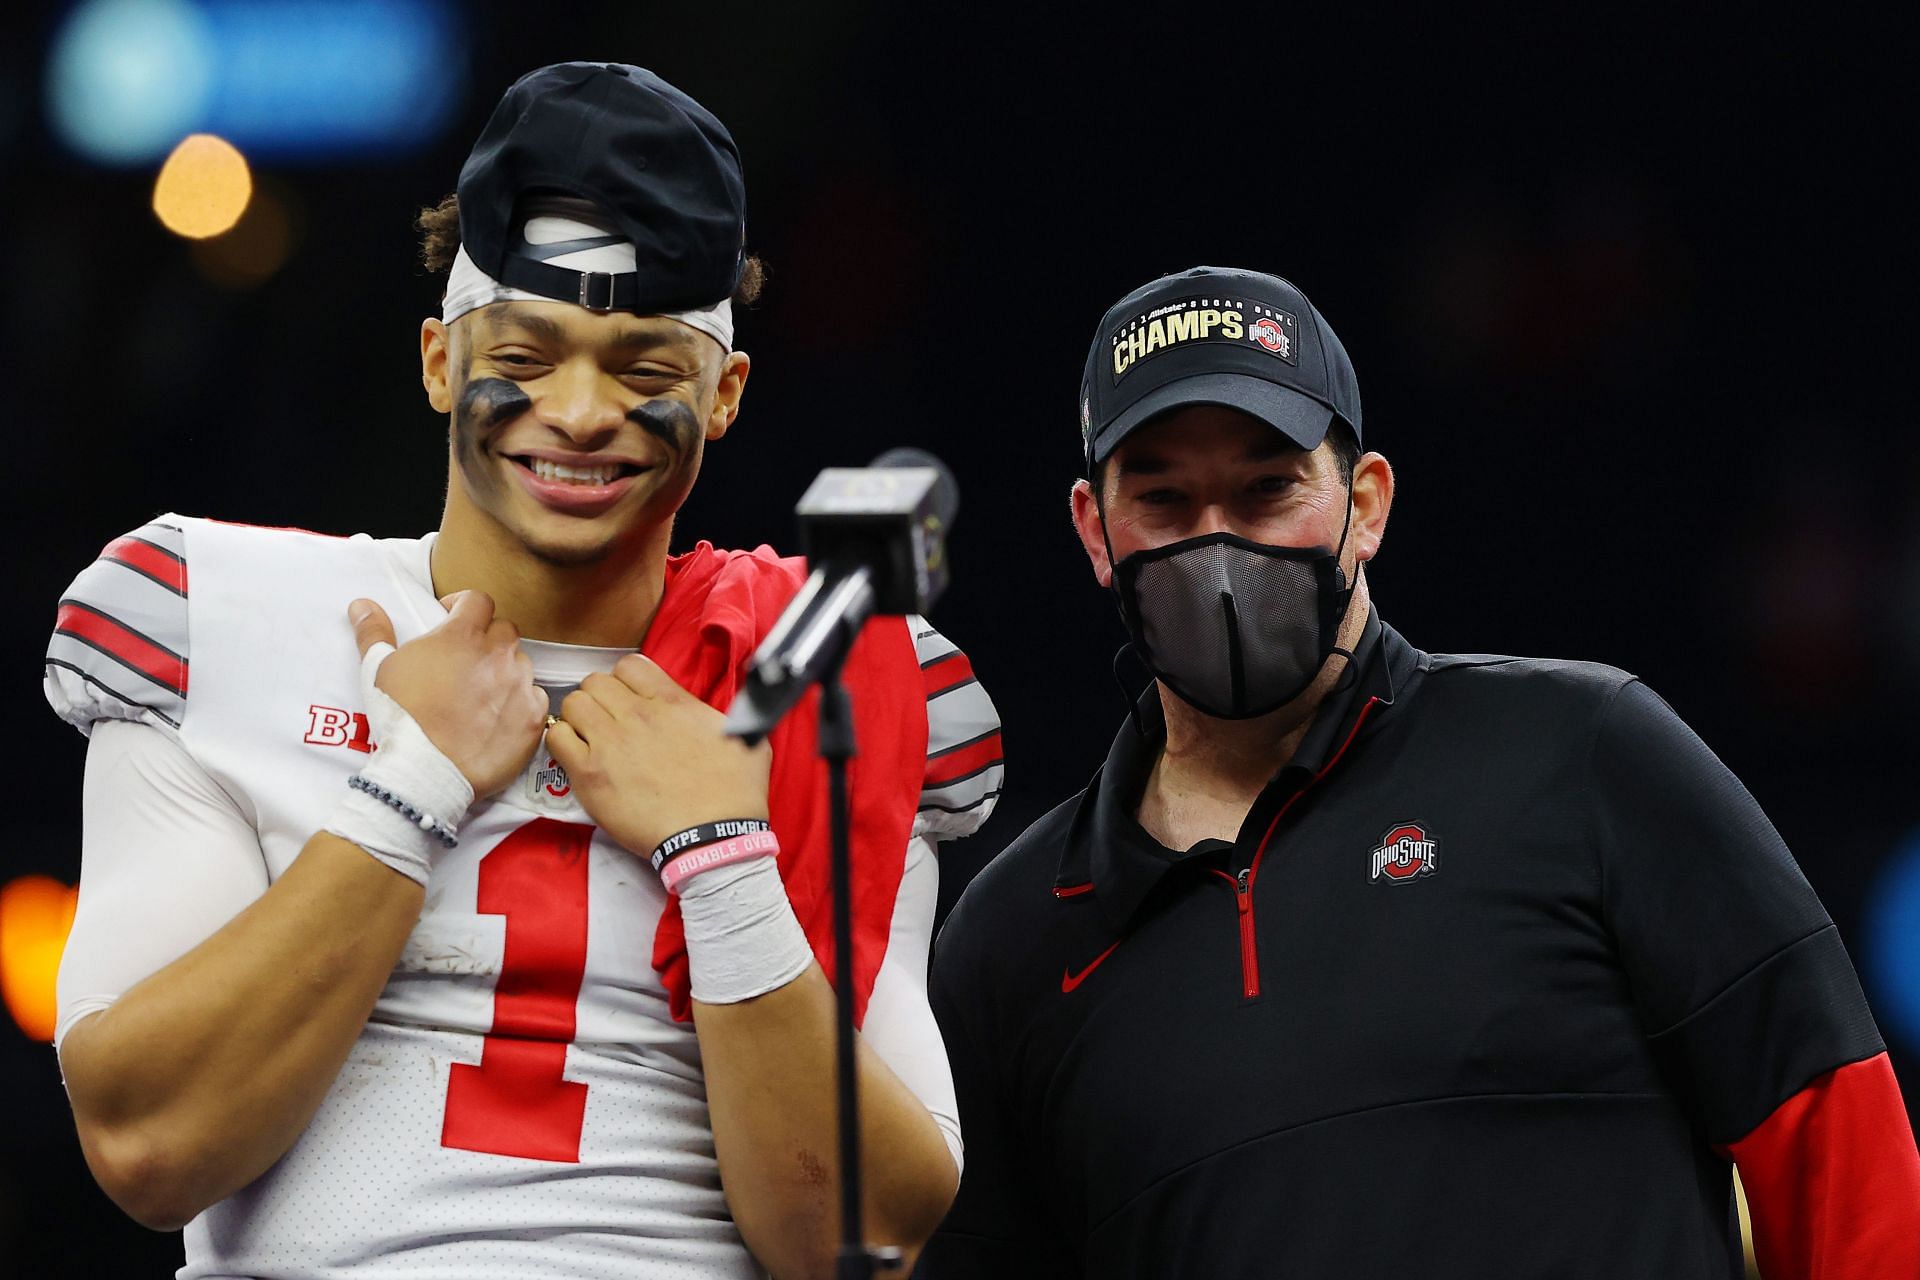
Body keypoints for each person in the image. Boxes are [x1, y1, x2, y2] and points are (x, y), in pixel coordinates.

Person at [45, 63, 1002, 1279]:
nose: (584, 409)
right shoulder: (209, 613)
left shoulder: (831, 679)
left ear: (726, 395)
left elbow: (865, 1238)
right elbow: (146, 1143)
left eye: (648, 370)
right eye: (530, 353)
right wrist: (408, 789)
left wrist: (723, 860)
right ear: (441, 360)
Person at [919, 265, 1920, 1278]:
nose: (1218, 546)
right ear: (1096, 529)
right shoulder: (1011, 943)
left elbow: (1849, 1167)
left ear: (1366, 501)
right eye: (1167, 499)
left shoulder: (1585, 756)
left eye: (1269, 487)